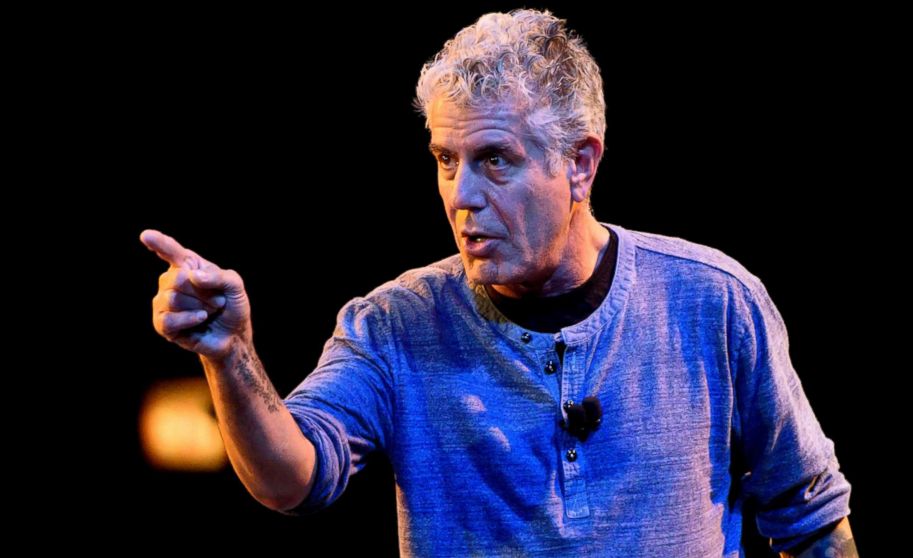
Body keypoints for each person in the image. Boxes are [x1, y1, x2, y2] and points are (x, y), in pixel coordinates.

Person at [140, 9, 857, 557]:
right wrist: (229, 355)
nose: (460, 195)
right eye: (446, 160)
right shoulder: (393, 325)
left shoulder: (712, 303)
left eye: (495, 161)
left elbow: (813, 515)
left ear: (580, 164)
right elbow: (294, 478)